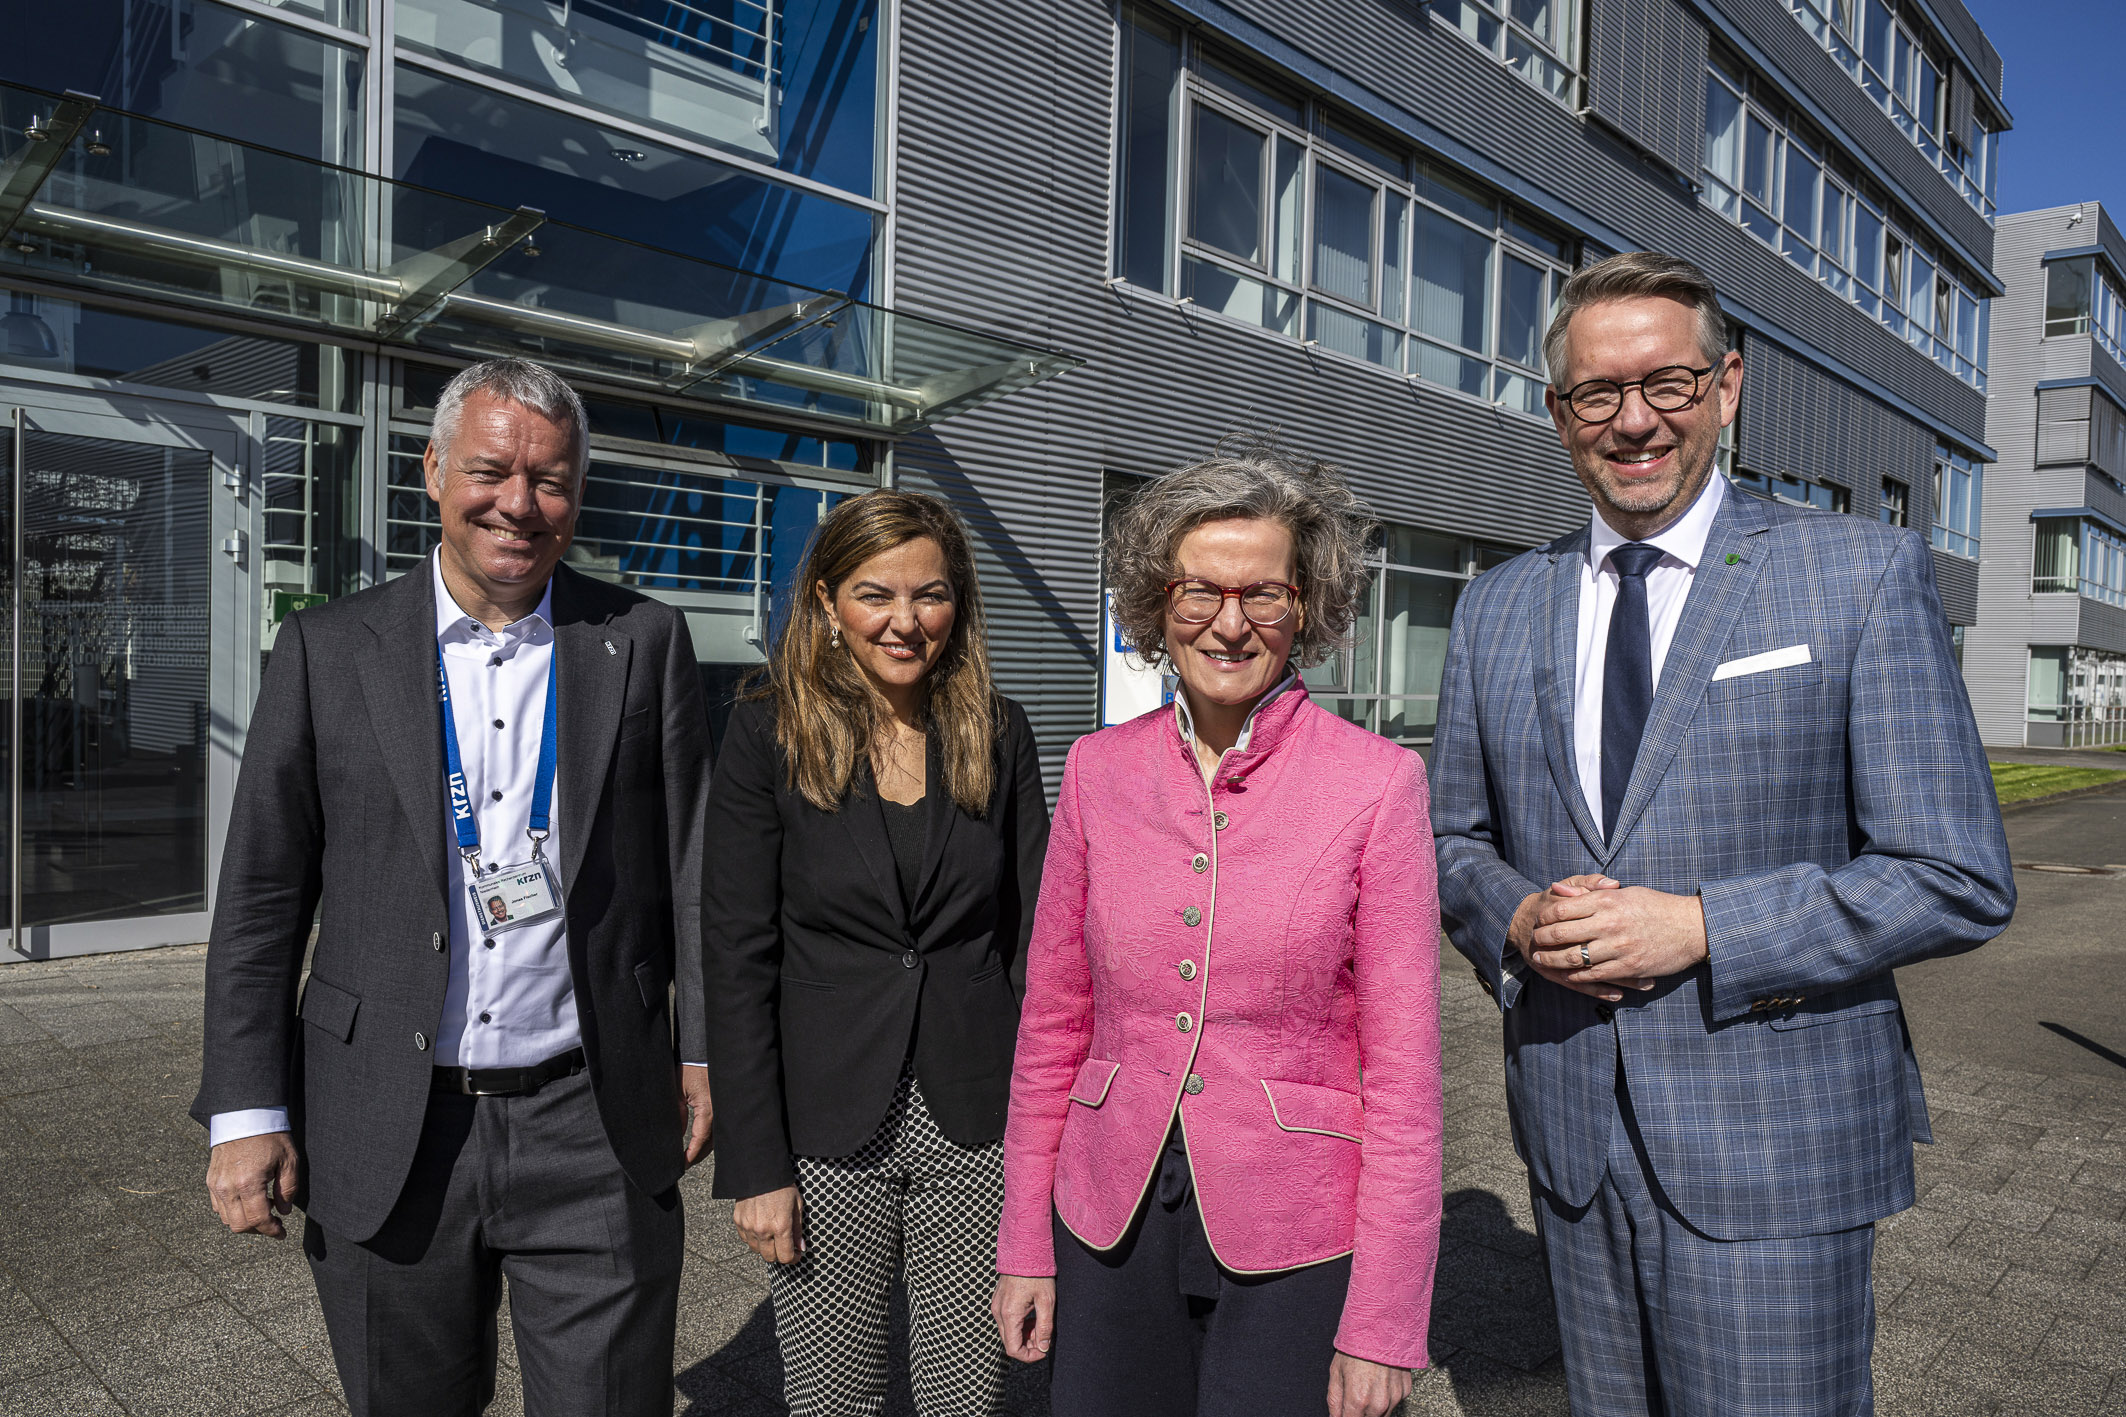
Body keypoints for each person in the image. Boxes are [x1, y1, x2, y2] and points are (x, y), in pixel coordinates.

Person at [1430, 251, 2016, 1414]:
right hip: (1573, 1138)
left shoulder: (1855, 574)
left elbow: (1954, 874)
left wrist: (1702, 926)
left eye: (1668, 382)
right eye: (1596, 392)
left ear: (1728, 386)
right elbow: (1451, 839)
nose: (1633, 419)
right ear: (1557, 416)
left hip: (1773, 1146)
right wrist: (1516, 916)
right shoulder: (1497, 603)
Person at [193, 357, 714, 1416]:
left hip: (592, 1116)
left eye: (552, 479)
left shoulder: (641, 641)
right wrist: (246, 1109)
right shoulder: (327, 649)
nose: (519, 504)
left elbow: (695, 873)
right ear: (431, 471)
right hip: (387, 1119)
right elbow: (260, 897)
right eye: (490, 470)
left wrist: (699, 1049)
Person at [992, 444, 1442, 1417]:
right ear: (1158, 602)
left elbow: (1404, 1076)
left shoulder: (1377, 784)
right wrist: (1024, 1242)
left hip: (1296, 1231)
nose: (1229, 623)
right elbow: (1051, 1029)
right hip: (1108, 1216)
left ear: (1305, 605)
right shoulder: (1096, 773)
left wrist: (1383, 1320)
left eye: (1262, 594)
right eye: (1199, 590)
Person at [704, 489, 1049, 1417]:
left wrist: (1043, 1135)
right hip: (825, 1124)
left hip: (974, 1116)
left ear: (959, 600)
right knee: (832, 1399)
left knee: (960, 1397)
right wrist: (757, 1162)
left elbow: (1034, 944)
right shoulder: (765, 732)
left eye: (930, 595)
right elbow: (735, 957)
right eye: (874, 594)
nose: (905, 622)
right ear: (824, 600)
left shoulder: (999, 732)